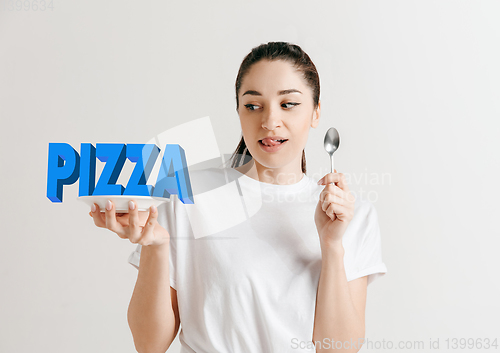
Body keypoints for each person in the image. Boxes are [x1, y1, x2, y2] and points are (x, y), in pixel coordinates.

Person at [89, 41, 387, 353]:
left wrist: (332, 245)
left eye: (288, 104)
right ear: (239, 112)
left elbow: (338, 349)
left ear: (316, 112)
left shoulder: (350, 215)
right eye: (253, 105)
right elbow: (149, 344)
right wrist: (155, 246)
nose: (270, 122)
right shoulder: (188, 194)